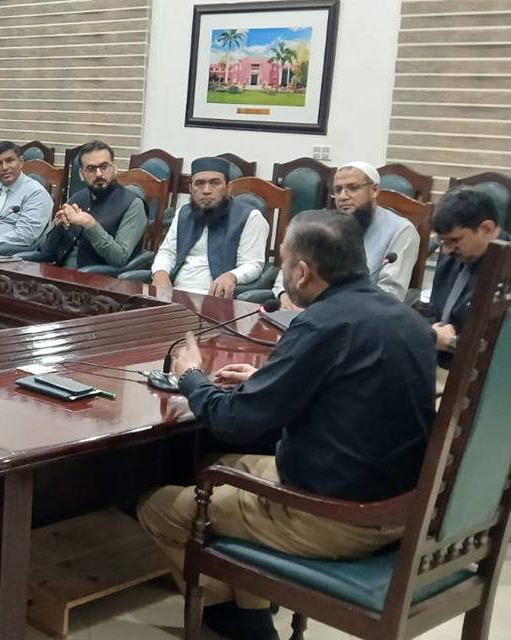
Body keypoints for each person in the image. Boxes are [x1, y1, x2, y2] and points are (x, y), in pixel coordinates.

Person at [137, 210, 434, 640]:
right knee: (216, 466)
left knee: (159, 506)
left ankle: (239, 621)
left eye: (283, 260)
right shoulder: (407, 320)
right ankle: (252, 599)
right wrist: (266, 379)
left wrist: (192, 377)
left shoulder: (320, 323)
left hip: (337, 516)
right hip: (399, 503)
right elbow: (353, 388)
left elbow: (232, 421)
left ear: (302, 271)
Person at [274, 161, 418, 307]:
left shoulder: (401, 230)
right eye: (337, 190)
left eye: (352, 188)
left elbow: (391, 294)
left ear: (374, 190)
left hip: (362, 313)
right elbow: (290, 265)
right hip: (305, 309)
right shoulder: (324, 225)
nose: (343, 196)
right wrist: (284, 294)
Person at [150, 157, 269, 297]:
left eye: (215, 183)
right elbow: (167, 252)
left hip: (216, 298)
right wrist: (160, 273)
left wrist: (231, 276)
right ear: (190, 189)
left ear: (228, 187)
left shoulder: (250, 217)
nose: (206, 190)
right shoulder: (183, 213)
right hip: (173, 293)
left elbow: (253, 264)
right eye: (199, 183)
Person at [423, 188, 509, 371]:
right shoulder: (454, 253)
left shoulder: (506, 269)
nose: (446, 250)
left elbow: (500, 351)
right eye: (442, 242)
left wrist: (451, 343)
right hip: (434, 360)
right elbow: (434, 310)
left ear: (486, 228)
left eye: (454, 241)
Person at [33, 140, 146, 268]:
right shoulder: (77, 198)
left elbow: (120, 258)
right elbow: (45, 252)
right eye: (91, 169)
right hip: (58, 273)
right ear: (81, 174)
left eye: (104, 167)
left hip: (98, 278)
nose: (99, 174)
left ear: (114, 168)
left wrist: (90, 224)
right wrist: (58, 227)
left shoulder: (133, 204)